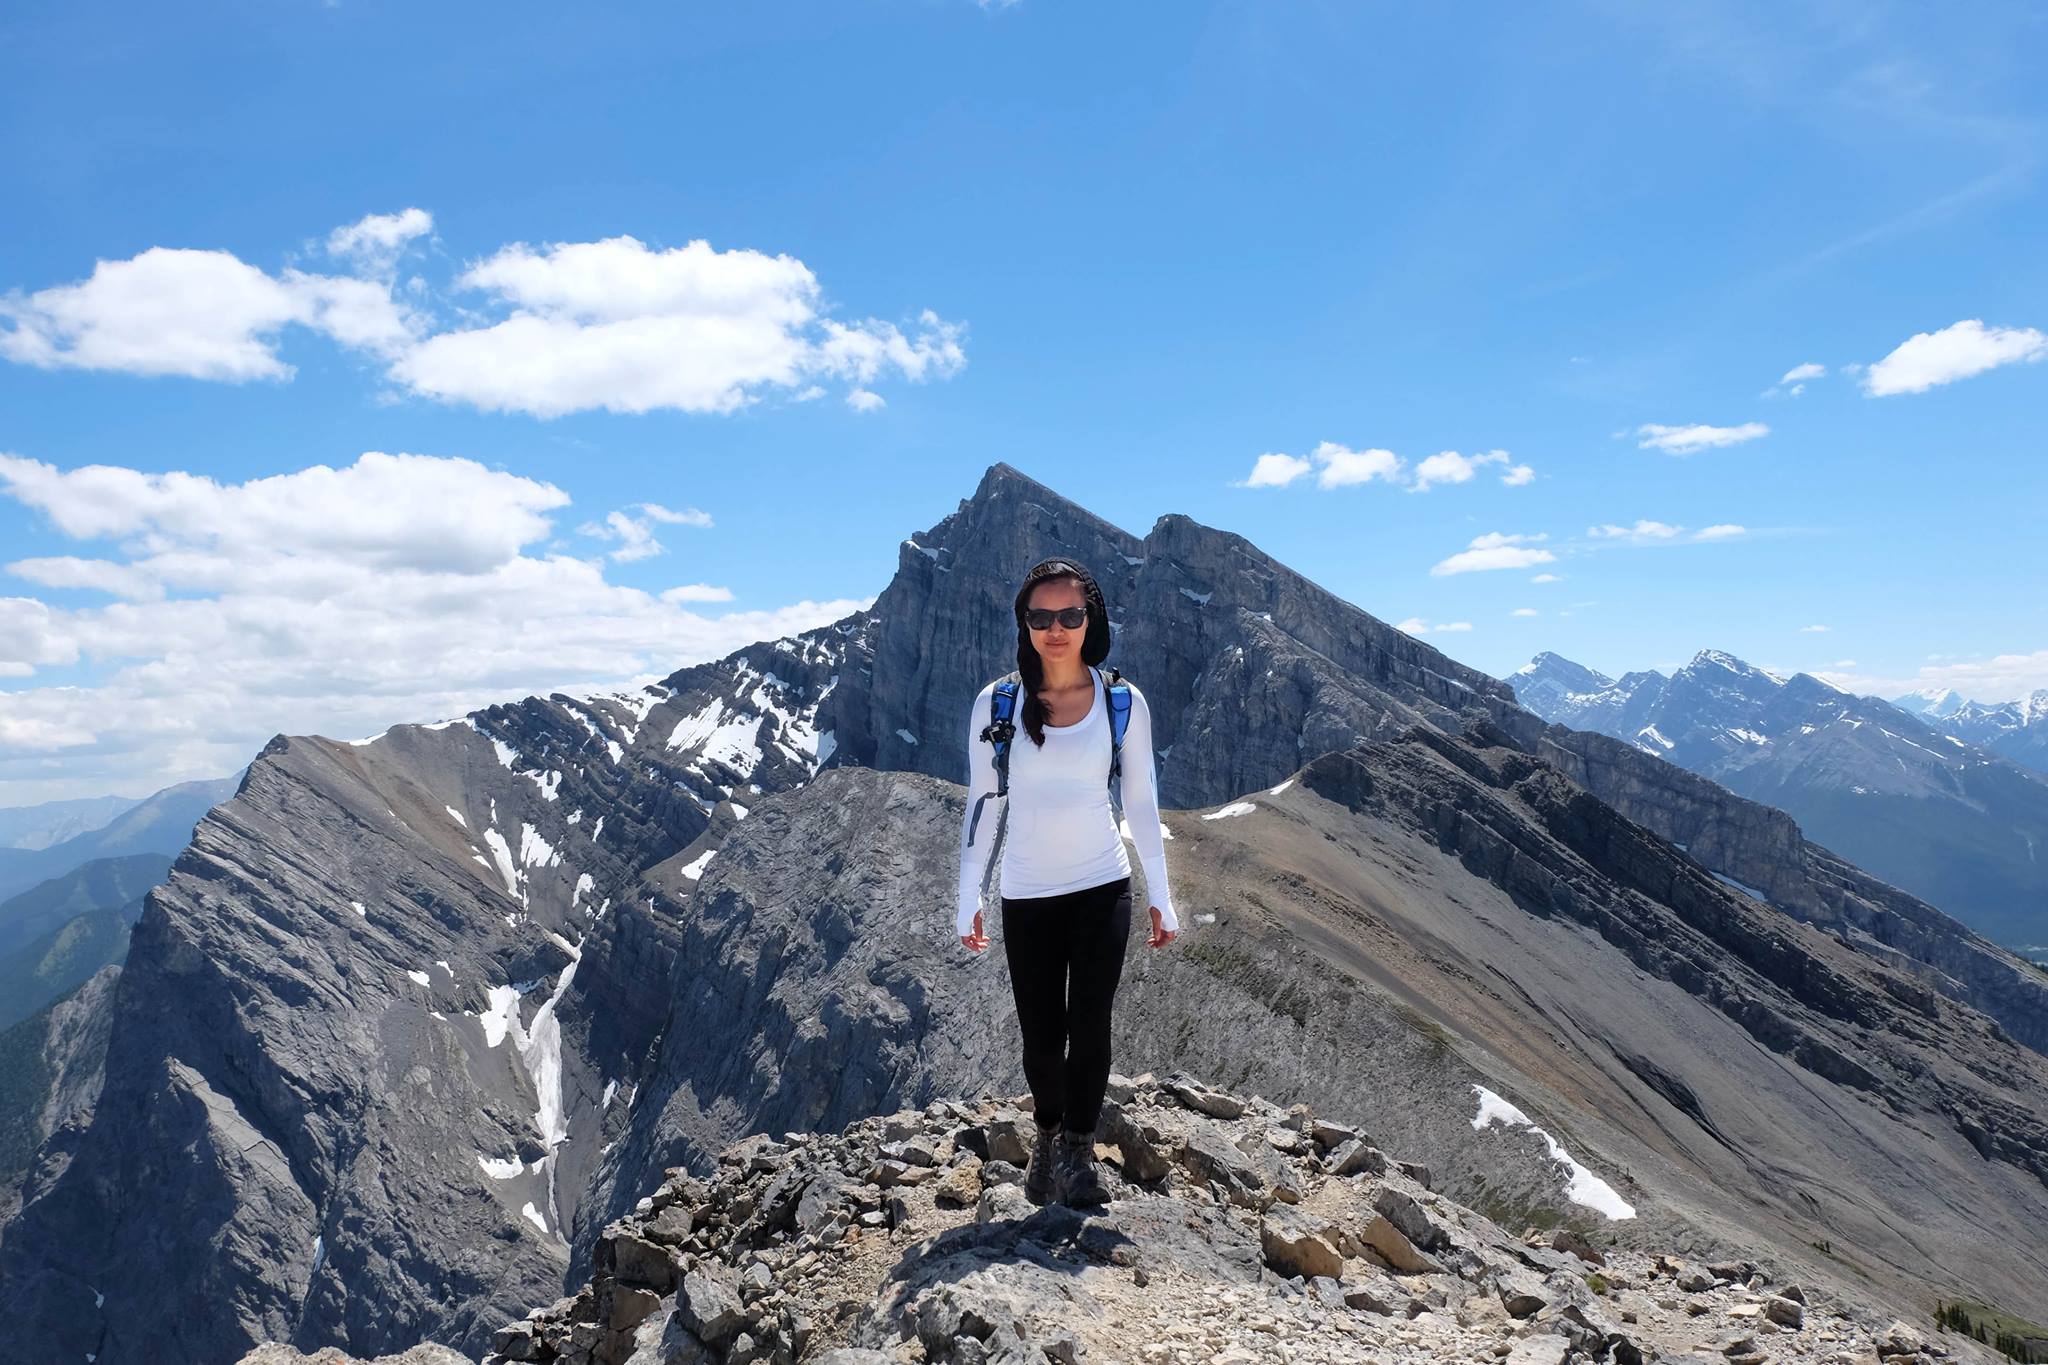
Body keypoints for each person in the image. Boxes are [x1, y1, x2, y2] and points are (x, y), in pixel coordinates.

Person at [957, 556, 1180, 1210]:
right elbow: (983, 800)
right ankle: (1049, 1134)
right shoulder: (998, 702)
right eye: (1041, 616)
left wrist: (1162, 894)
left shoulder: (1122, 702)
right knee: (1040, 1038)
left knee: (1090, 1023)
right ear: (1024, 623)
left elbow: (1141, 802)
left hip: (1101, 884)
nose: (1056, 628)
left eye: (1070, 615)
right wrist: (967, 892)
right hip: (1025, 894)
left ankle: (1079, 1151)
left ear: (1092, 619)